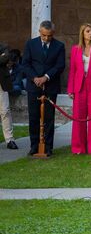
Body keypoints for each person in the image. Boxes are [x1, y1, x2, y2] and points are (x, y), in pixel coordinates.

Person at [21, 20, 66, 156]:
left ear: (53, 33)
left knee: (49, 118)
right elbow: (25, 64)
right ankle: (34, 146)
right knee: (34, 117)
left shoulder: (59, 46)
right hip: (34, 86)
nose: (46, 38)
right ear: (40, 32)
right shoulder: (30, 44)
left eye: (49, 35)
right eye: (44, 35)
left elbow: (60, 65)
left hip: (50, 86)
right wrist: (35, 78)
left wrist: (46, 77)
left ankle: (48, 147)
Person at [67, 23, 91, 154]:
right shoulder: (75, 49)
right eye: (88, 31)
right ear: (82, 34)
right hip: (79, 86)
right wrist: (70, 89)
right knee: (78, 118)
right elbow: (72, 70)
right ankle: (79, 147)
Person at [0, 42, 17, 149]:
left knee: (5, 111)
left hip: (1, 83)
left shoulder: (4, 46)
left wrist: (2, 57)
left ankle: (9, 139)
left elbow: (5, 58)